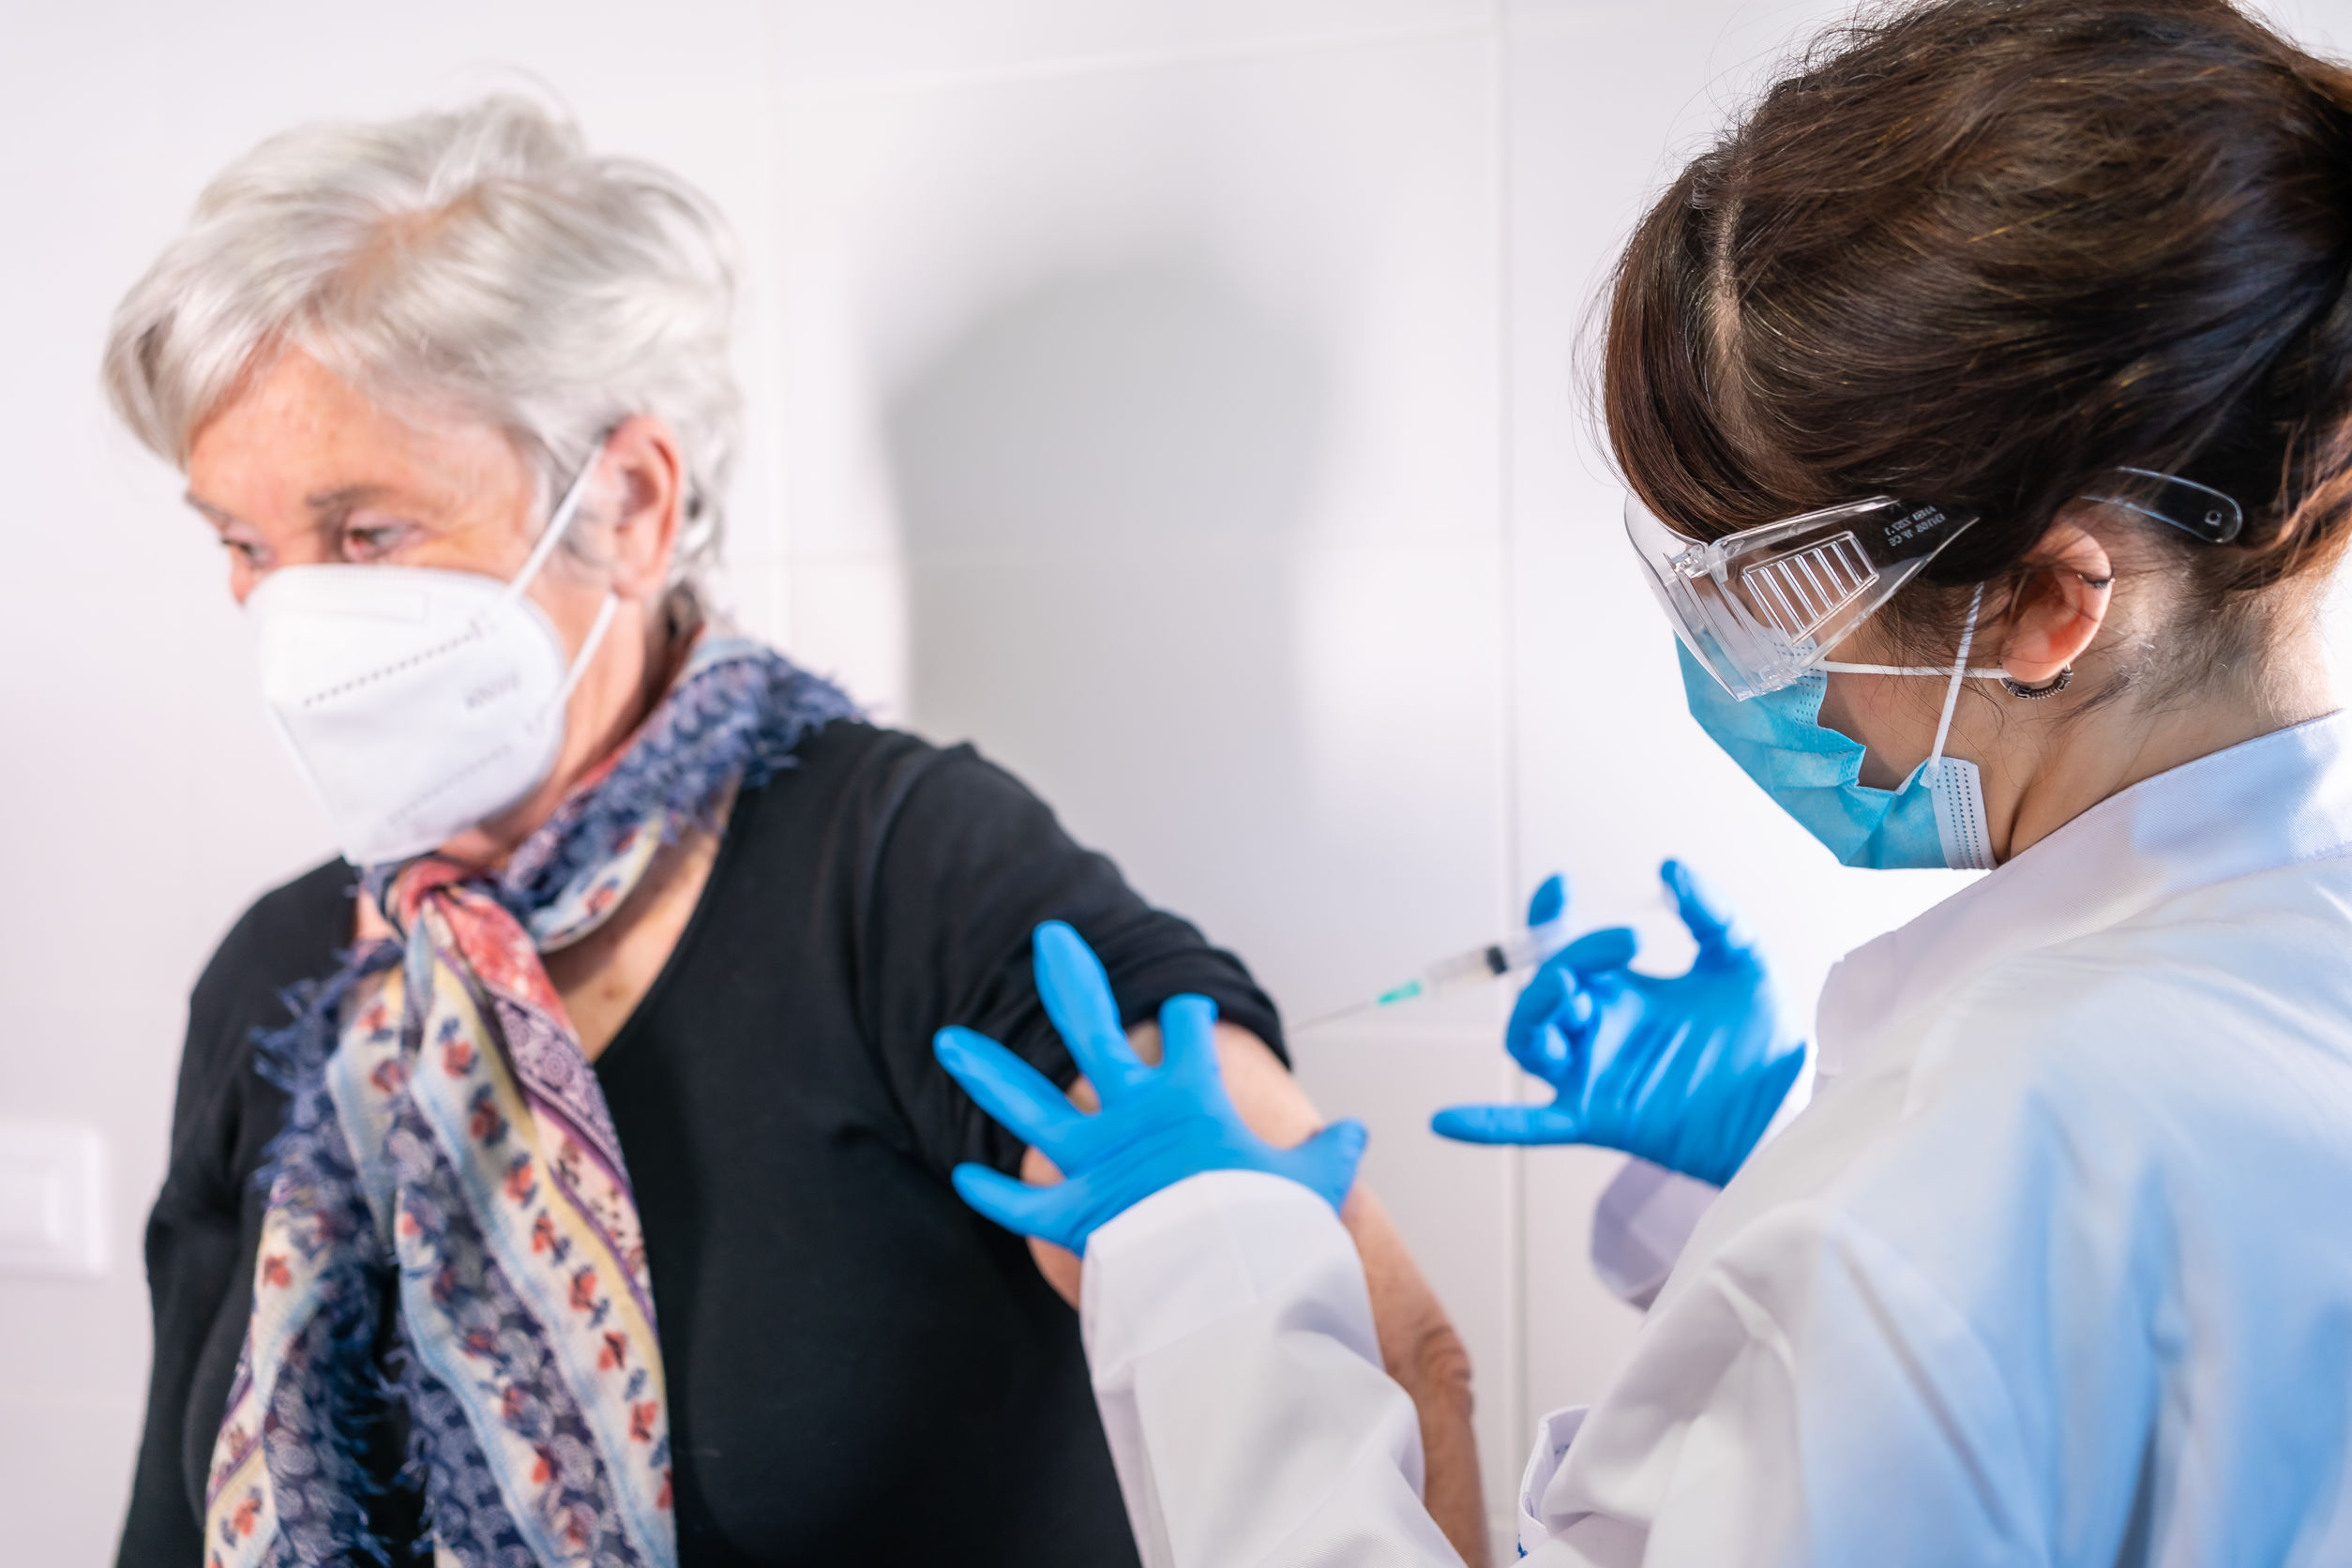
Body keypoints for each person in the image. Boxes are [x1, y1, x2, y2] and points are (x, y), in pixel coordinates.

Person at [931, 0, 2352, 1560]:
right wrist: (1766, 1177)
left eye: (1769, 592)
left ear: (2044, 602)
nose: (1732, 664)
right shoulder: (2256, 988)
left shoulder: (1962, 1180)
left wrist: (1216, 1277)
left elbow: (1959, 1318)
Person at [103, 98, 1485, 1567]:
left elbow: (1395, 1368)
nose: (288, 620)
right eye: (243, 546)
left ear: (631, 502)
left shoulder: (910, 880)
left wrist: (1215, 1248)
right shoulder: (277, 981)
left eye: (366, 534)